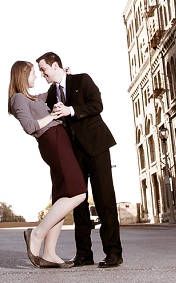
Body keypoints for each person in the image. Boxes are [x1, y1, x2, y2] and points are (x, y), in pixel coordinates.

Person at [38, 51, 123, 268]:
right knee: (79, 202)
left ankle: (113, 252)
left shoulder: (82, 79)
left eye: (43, 69)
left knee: (105, 200)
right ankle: (84, 254)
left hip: (97, 146)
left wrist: (71, 110)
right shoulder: (50, 94)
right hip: (73, 153)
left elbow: (97, 105)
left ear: (55, 65)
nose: (42, 74)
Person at [8, 60, 87, 268]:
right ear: (22, 75)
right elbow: (30, 126)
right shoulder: (17, 99)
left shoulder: (32, 98)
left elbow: (53, 92)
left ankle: (50, 253)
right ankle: (37, 233)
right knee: (79, 193)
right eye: (33, 73)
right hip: (52, 140)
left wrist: (64, 75)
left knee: (62, 196)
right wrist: (52, 116)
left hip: (58, 139)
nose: (36, 76)